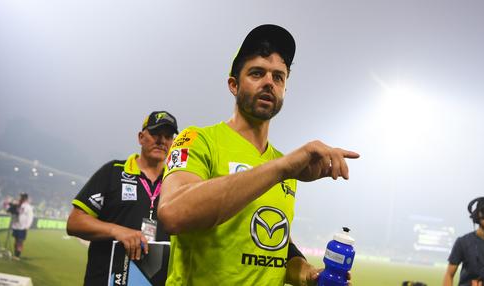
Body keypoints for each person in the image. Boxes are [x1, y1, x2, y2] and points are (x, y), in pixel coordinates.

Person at [158, 24, 359, 285]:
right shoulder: (196, 140)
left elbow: (270, 248)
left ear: (285, 89)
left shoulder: (285, 164)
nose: (269, 82)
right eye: (256, 73)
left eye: (278, 77)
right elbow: (173, 213)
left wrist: (308, 274)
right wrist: (281, 169)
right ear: (233, 84)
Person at [67, 111, 178, 285]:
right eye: (156, 133)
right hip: (105, 280)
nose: (161, 140)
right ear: (141, 137)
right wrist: (116, 230)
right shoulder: (112, 172)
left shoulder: (176, 183)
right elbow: (74, 222)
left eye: (168, 136)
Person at [9, 192, 34, 259]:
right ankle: (15, 254)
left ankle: (17, 255)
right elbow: (12, 211)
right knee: (16, 240)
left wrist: (27, 225)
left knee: (20, 241)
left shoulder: (28, 207)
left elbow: (30, 217)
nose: (20, 198)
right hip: (16, 225)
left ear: (25, 198)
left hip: (22, 227)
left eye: (22, 197)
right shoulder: (18, 205)